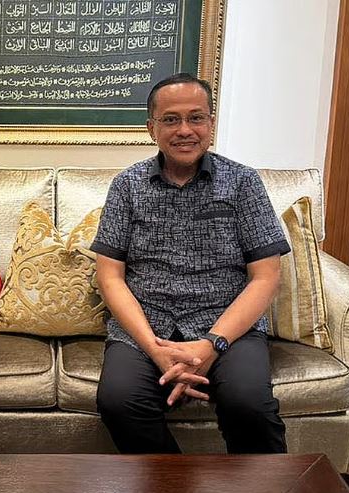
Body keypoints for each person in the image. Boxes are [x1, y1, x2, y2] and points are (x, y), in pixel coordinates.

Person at [91, 73, 291, 454]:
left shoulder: (243, 183)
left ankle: (263, 490)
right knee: (118, 401)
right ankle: (177, 485)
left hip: (228, 329)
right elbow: (110, 277)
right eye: (171, 119)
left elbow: (266, 277)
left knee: (248, 405)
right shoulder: (126, 186)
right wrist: (156, 350)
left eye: (196, 118)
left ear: (211, 123)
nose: (185, 130)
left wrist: (212, 344)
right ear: (151, 128)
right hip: (147, 329)